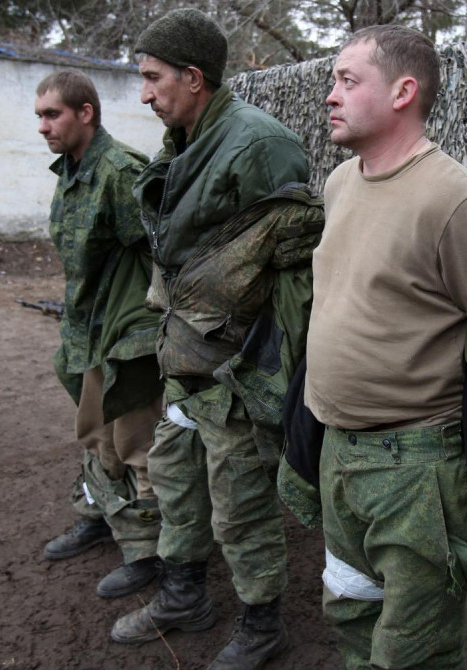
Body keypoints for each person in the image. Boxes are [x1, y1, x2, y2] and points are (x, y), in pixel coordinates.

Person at [109, 9, 323, 670]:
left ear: (193, 77)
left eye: (152, 78)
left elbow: (296, 278)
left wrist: (270, 380)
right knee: (175, 481)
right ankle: (183, 596)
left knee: (241, 506)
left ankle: (261, 625)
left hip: (237, 369)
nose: (144, 93)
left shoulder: (258, 145)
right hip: (186, 357)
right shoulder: (184, 139)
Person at [303, 26, 467, 669]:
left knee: (411, 650)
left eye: (348, 81)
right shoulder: (341, 182)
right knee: (351, 609)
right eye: (333, 82)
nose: (330, 96)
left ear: (403, 91)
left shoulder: (456, 202)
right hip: (338, 450)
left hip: (416, 467)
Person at [33, 70, 166, 598]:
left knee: (136, 444)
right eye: (39, 116)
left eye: (52, 114)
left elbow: (163, 252)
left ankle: (149, 552)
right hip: (86, 327)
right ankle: (101, 517)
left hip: (125, 332)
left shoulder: (119, 171)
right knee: (94, 435)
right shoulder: (71, 169)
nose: (43, 127)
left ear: (85, 113)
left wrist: (144, 327)